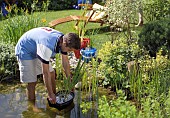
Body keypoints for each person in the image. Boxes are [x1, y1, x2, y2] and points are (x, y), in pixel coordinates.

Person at [15, 27, 81, 104]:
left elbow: (65, 63)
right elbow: (45, 72)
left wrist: (70, 81)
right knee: (32, 82)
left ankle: (54, 97)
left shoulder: (63, 39)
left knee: (52, 73)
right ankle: (32, 107)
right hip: (25, 50)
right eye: (69, 50)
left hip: (37, 48)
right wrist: (50, 94)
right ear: (64, 43)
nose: (69, 52)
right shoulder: (46, 46)